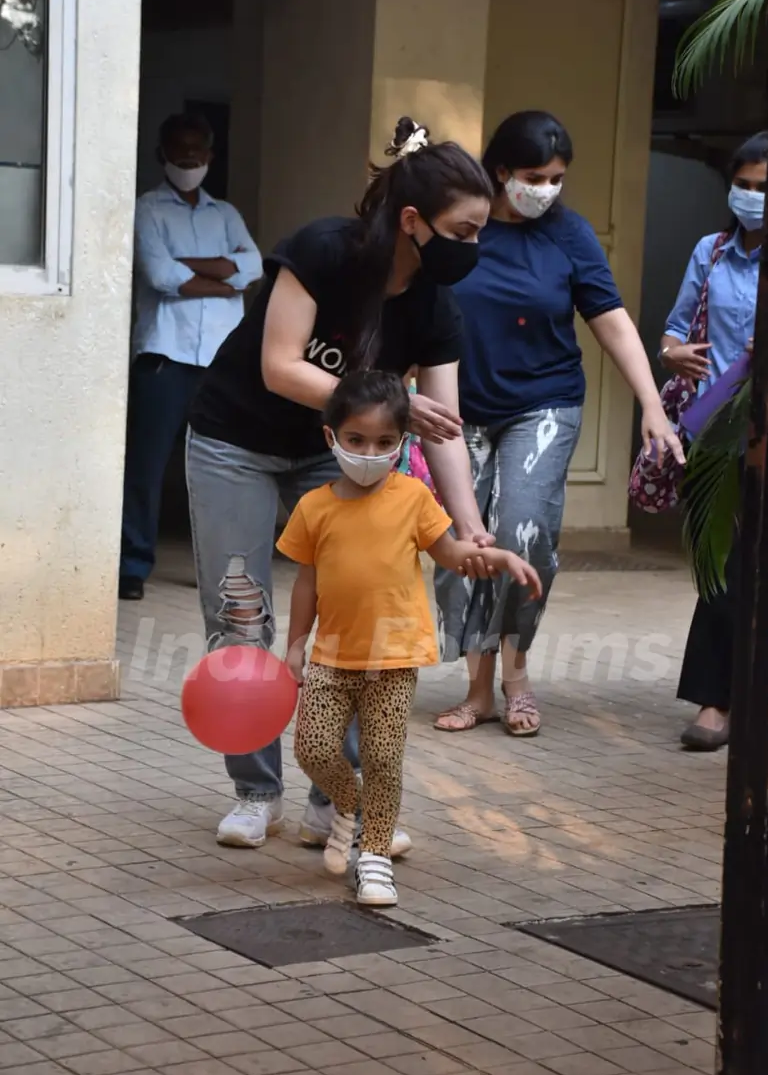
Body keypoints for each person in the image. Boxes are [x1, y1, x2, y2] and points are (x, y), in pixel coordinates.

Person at [185, 117, 496, 851]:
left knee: (355, 617)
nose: (475, 247)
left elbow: (441, 425)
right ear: (414, 221)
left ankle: (338, 798)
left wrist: (469, 522)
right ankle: (257, 791)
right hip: (237, 439)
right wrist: (389, 401)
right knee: (242, 617)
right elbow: (280, 366)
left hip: (337, 452)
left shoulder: (435, 308)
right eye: (466, 230)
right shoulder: (324, 250)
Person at [434, 110, 684, 736]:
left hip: (542, 404)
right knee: (467, 542)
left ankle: (517, 676)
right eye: (534, 176)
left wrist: (652, 404)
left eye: (556, 178)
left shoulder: (569, 235)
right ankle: (477, 688)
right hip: (456, 407)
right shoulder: (464, 226)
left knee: (524, 530)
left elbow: (611, 319)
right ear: (500, 172)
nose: (546, 188)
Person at [282, 371, 542, 906]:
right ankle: (349, 805)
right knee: (312, 750)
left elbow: (450, 554)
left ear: (402, 443)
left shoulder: (413, 498)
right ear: (331, 437)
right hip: (331, 659)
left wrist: (494, 556)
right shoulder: (314, 507)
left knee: (382, 757)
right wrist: (293, 645)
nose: (369, 452)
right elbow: (305, 582)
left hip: (395, 658)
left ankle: (374, 856)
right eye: (356, 440)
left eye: (384, 442)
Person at [119, 112, 262, 601]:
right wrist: (223, 277)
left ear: (210, 156)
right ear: (162, 154)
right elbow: (160, 277)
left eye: (197, 150)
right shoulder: (147, 209)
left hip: (220, 360)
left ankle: (221, 569)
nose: (189, 159)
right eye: (179, 150)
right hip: (165, 357)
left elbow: (254, 267)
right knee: (148, 465)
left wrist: (192, 271)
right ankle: (132, 565)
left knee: (222, 468)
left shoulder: (224, 213)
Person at [661, 131, 768, 751]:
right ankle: (714, 700)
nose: (751, 198)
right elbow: (676, 328)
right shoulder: (713, 249)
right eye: (744, 186)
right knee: (719, 561)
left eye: (765, 189)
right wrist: (674, 356)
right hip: (718, 431)